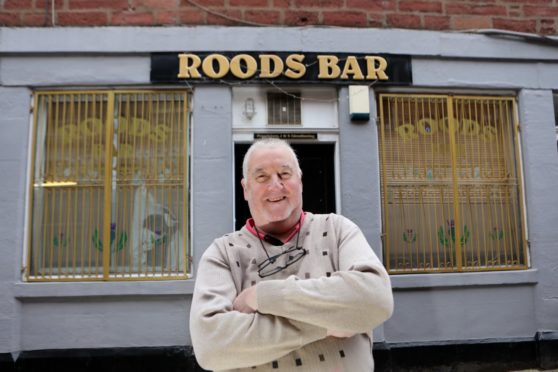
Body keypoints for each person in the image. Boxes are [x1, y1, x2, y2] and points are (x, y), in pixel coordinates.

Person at [190, 138, 393, 371]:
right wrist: (326, 324)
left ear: (301, 181)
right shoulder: (222, 253)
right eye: (262, 177)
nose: (275, 185)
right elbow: (211, 346)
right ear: (246, 189)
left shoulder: (338, 230)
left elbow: (376, 299)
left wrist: (261, 296)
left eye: (284, 174)